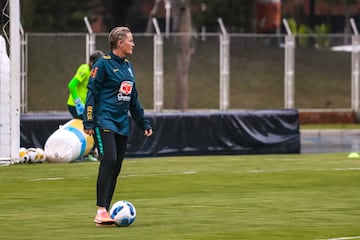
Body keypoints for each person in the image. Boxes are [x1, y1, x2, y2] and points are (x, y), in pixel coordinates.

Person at [83, 26, 153, 226]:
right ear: (120, 43)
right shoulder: (102, 64)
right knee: (109, 159)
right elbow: (91, 94)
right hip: (103, 120)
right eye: (130, 40)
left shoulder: (128, 66)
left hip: (122, 124)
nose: (133, 44)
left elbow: (133, 99)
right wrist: (88, 120)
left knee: (116, 166)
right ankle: (101, 210)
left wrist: (143, 122)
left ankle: (105, 212)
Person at [67, 50, 104, 119]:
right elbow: (71, 85)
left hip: (87, 106)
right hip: (76, 105)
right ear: (91, 62)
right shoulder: (85, 69)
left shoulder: (96, 72)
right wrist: (78, 102)